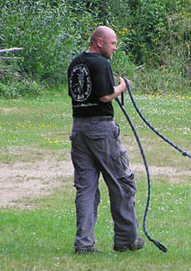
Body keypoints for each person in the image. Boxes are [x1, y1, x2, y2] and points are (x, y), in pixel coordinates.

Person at [67, 26, 145, 254]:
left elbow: (78, 94)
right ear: (99, 42)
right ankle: (126, 239)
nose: (115, 47)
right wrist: (123, 86)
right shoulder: (100, 64)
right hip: (101, 130)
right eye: (113, 43)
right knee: (122, 183)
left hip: (79, 128)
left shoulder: (75, 63)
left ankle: (84, 244)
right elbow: (104, 95)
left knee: (86, 189)